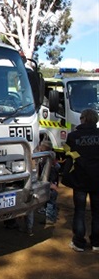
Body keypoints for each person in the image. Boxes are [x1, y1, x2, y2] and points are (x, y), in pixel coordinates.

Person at [63, 108, 99, 252]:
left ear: (83, 119)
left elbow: (68, 155)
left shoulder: (73, 137)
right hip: (98, 179)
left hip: (80, 179)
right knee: (97, 213)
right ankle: (97, 243)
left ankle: (78, 242)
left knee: (79, 211)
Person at [38, 140, 60, 225]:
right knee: (52, 202)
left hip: (50, 185)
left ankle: (50, 218)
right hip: (52, 184)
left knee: (50, 202)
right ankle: (52, 216)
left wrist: (51, 184)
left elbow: (52, 175)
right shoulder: (52, 159)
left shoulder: (48, 161)